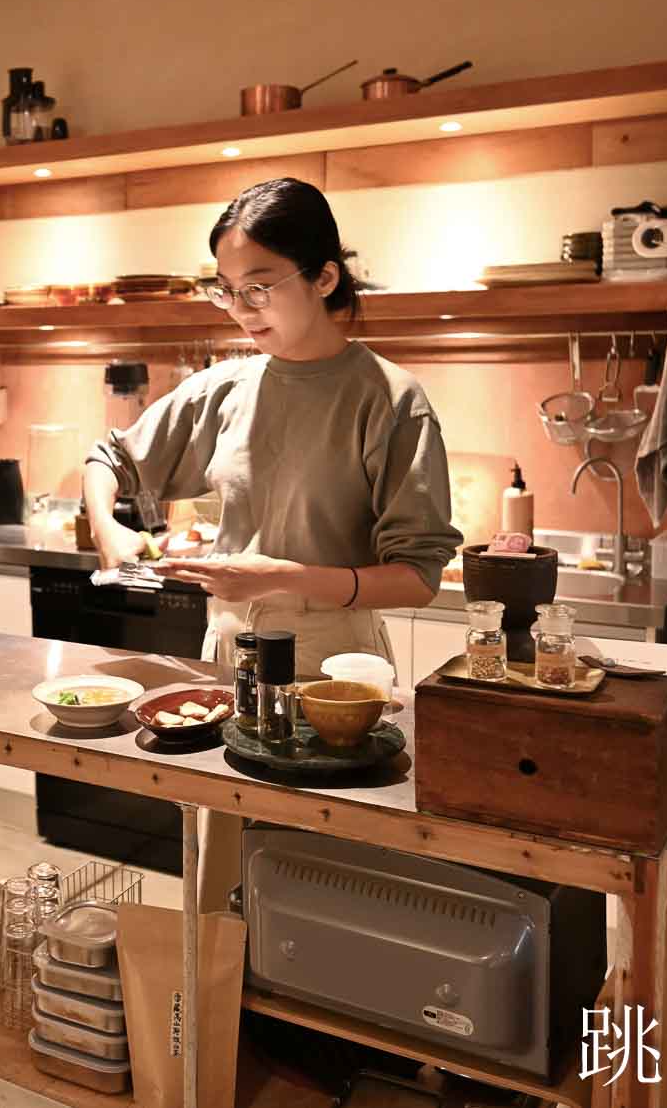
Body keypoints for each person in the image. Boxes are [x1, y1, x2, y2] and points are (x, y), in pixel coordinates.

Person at [82, 177, 461, 907]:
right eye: (225, 290)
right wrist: (112, 532)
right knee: (220, 883)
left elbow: (418, 578)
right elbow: (110, 459)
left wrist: (280, 577)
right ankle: (225, 1021)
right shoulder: (225, 388)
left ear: (324, 276)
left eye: (258, 287)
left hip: (337, 673)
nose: (240, 309)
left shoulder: (389, 398)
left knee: (327, 890)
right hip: (227, 663)